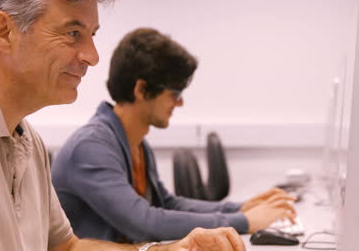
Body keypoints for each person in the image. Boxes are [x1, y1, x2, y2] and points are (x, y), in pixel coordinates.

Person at [0, 0, 246, 251]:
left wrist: (167, 250)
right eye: (73, 33)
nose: (91, 56)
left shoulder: (25, 137)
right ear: (3, 32)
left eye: (91, 36)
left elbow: (66, 247)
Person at [51, 27, 297, 243]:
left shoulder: (135, 143)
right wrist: (243, 221)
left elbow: (167, 203)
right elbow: (143, 222)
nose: (179, 103)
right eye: (175, 93)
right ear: (142, 89)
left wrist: (240, 207)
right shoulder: (91, 147)